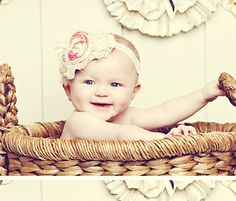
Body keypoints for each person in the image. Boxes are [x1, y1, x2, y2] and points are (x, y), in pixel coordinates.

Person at [57, 30, 225, 141]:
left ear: (133, 92)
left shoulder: (125, 116)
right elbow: (119, 135)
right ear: (68, 90)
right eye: (89, 82)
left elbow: (164, 113)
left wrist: (203, 95)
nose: (101, 92)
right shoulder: (79, 121)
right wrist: (166, 139)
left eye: (115, 84)